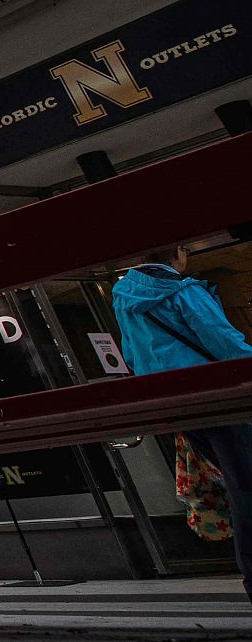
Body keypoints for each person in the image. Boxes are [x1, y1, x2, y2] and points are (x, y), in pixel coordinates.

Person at [112, 246, 252, 599]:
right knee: (246, 485)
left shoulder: (124, 296)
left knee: (238, 484)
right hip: (218, 398)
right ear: (179, 252)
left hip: (177, 407)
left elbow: (131, 354)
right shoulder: (185, 291)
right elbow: (223, 342)